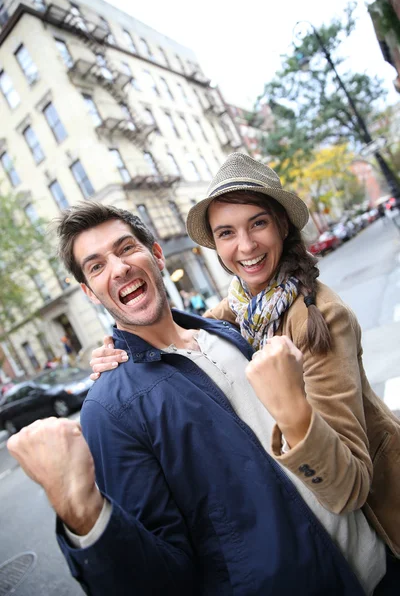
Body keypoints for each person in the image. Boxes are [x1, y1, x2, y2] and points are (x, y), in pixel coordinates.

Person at [8, 201, 374, 596]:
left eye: (126, 248)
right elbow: (159, 580)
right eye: (97, 266)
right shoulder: (108, 410)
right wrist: (87, 517)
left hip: (374, 561)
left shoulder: (224, 329)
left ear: (157, 254)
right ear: (90, 293)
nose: (118, 268)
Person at [90, 155, 400, 589]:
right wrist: (116, 348)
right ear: (216, 246)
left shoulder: (322, 318)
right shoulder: (239, 310)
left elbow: (349, 488)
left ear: (282, 226)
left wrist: (294, 411)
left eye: (258, 224)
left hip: (379, 542)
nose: (246, 246)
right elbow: (174, 330)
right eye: (226, 233)